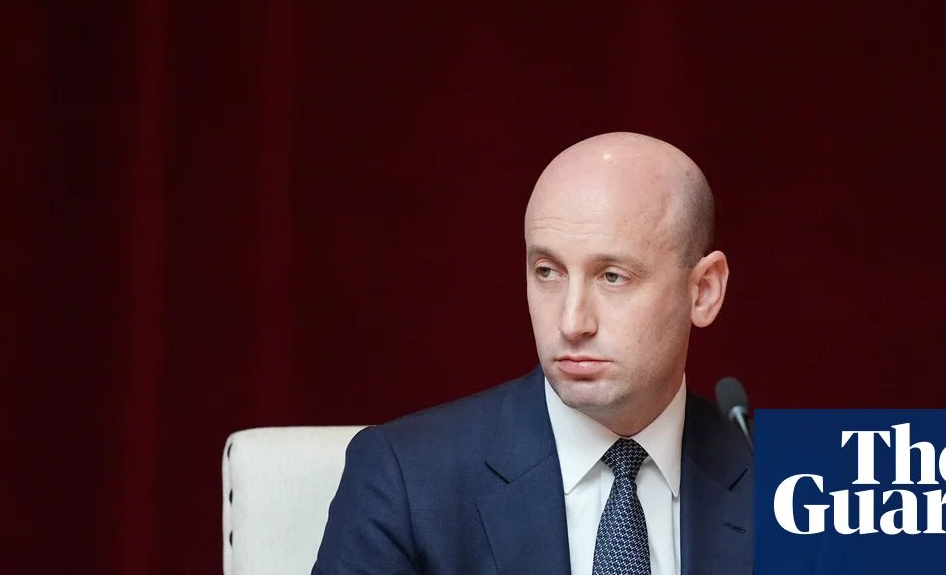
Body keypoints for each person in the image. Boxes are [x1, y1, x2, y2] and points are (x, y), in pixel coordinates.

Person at [313, 132, 753, 575]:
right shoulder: (405, 479)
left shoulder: (783, 480)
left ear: (703, 290)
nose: (571, 322)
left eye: (613, 277)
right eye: (548, 272)